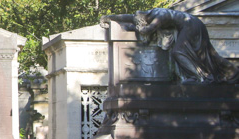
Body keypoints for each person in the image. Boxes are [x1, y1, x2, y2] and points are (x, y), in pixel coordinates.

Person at [101, 8, 239, 84]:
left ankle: (199, 77)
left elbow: (147, 30)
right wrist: (108, 17)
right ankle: (232, 71)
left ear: (144, 20)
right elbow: (127, 17)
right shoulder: (146, 15)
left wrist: (139, 29)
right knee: (208, 55)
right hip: (191, 24)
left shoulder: (158, 15)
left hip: (190, 24)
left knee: (178, 52)